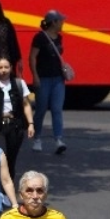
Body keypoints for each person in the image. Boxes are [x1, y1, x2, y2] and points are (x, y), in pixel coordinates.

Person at [29, 10, 71, 154]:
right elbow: (33, 57)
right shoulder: (40, 37)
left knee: (57, 109)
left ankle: (58, 139)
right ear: (54, 22)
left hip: (58, 78)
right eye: (61, 21)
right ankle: (37, 138)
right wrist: (35, 76)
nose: (62, 23)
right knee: (41, 109)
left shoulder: (59, 38)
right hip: (44, 78)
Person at [0, 56, 35, 171]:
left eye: (6, 67)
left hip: (15, 124)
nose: (3, 70)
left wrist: (31, 123)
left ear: (11, 68)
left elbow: (26, 104)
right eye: (0, 67)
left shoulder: (19, 83)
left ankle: (9, 183)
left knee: (11, 158)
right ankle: (0, 183)